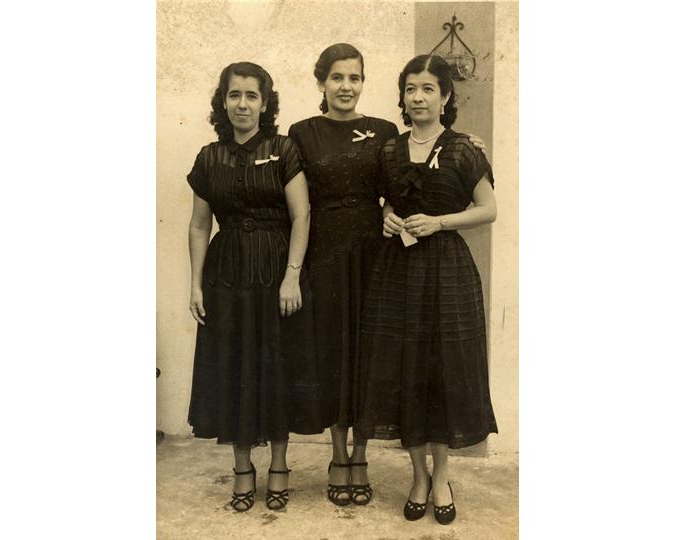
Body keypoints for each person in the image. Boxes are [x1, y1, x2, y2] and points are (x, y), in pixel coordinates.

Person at [288, 44, 487, 507]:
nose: (346, 86)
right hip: (326, 253)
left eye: (354, 78)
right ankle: (339, 456)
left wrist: (470, 146)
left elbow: (404, 182)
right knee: (334, 353)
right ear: (321, 82)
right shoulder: (302, 132)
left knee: (371, 356)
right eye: (337, 77)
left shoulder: (382, 132)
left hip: (377, 256)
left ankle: (361, 456)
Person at [356, 54, 499, 526]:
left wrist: (439, 222)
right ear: (402, 96)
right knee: (405, 373)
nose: (418, 97)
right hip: (397, 274)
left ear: (445, 96)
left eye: (428, 89)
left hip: (447, 275)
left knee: (442, 374)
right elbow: (382, 203)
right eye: (410, 88)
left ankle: (442, 479)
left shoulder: (462, 149)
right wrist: (386, 217)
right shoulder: (389, 151)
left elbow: (488, 209)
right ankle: (418, 476)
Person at [185, 62, 324, 513]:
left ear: (265, 104)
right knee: (233, 370)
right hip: (226, 278)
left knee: (277, 370)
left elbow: (301, 215)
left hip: (275, 276)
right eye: (234, 95)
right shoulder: (209, 157)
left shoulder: (283, 149)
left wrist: (291, 276)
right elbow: (199, 225)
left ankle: (280, 467)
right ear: (222, 102)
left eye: (251, 96)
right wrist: (195, 285)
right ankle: (242, 469)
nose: (242, 104)